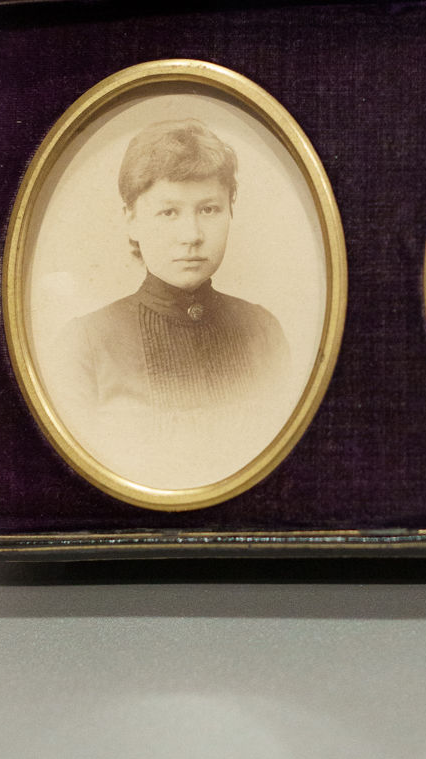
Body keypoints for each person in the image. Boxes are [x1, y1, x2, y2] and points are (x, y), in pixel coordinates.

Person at [48, 117, 291, 488]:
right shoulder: (85, 344)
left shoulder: (263, 331)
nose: (191, 235)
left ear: (230, 211)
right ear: (131, 220)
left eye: (208, 209)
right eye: (168, 212)